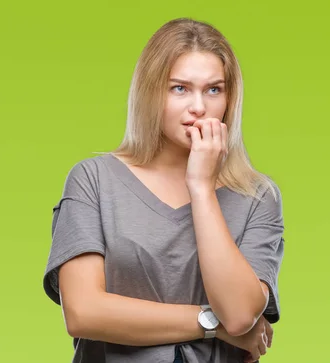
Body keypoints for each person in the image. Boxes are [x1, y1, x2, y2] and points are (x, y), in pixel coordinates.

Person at [42, 18, 285, 363]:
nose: (198, 107)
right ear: (151, 92)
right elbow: (84, 313)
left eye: (214, 89)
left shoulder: (258, 197)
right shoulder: (93, 180)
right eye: (180, 88)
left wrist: (201, 186)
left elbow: (240, 314)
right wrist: (210, 322)